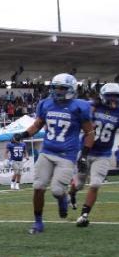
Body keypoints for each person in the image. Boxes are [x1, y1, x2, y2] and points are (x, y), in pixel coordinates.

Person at [13, 73, 94, 234]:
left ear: (71, 89)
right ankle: (38, 222)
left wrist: (84, 154)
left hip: (67, 155)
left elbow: (89, 132)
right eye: (55, 87)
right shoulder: (45, 104)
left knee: (57, 191)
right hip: (47, 151)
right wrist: (23, 134)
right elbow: (37, 125)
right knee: (38, 186)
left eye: (62, 88)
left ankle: (62, 198)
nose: (58, 91)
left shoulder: (80, 106)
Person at [69, 83, 119, 227]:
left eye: (117, 97)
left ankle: (84, 214)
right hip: (85, 150)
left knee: (96, 183)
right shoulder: (91, 106)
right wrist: (91, 106)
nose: (114, 100)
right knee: (78, 185)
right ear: (103, 96)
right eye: (111, 96)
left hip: (103, 154)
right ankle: (72, 193)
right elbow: (76, 105)